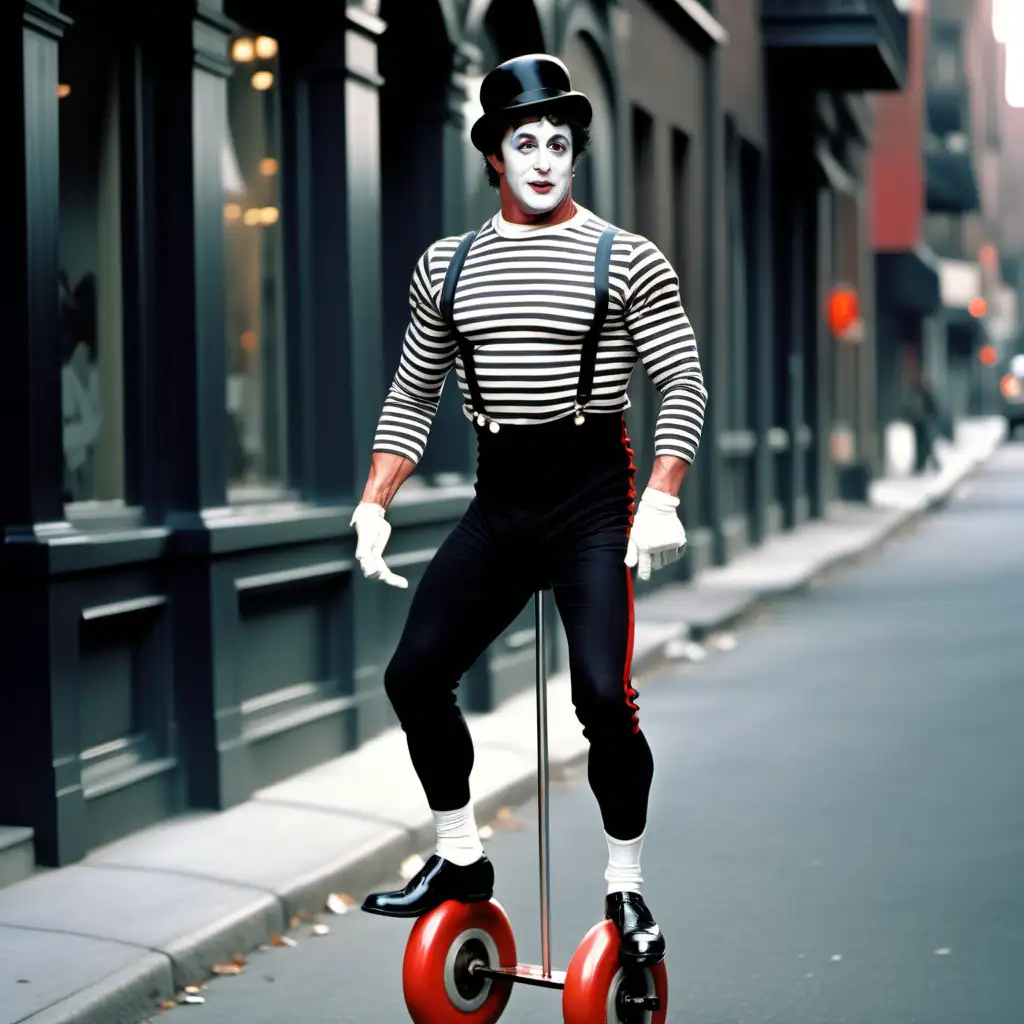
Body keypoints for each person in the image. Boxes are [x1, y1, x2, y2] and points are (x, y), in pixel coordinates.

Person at [350, 54, 707, 968]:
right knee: (414, 673)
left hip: (593, 499)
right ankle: (460, 859)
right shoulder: (449, 265)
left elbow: (680, 379)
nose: (544, 158)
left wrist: (661, 498)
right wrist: (374, 503)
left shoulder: (626, 258)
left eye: (559, 143)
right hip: (501, 497)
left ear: (573, 156)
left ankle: (626, 886)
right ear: (494, 156)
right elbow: (411, 392)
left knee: (601, 695)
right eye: (525, 141)